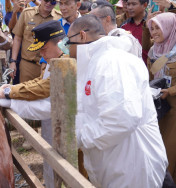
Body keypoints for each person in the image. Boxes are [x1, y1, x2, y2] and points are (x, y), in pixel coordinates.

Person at [69, 14, 170, 187]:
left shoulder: (111, 62)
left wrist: (77, 137)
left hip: (132, 167)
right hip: (117, 165)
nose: (67, 49)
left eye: (68, 43)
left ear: (82, 36)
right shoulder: (96, 62)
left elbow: (121, 119)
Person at [0, 20, 66, 188]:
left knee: (68, 169)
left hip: (68, 127)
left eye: (44, 48)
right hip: (54, 123)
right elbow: (39, 81)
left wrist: (9, 93)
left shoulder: (67, 61)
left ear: (58, 42)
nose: (41, 53)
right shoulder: (54, 59)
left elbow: (44, 87)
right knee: (52, 161)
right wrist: (11, 88)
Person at [147, 12, 176, 182]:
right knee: (159, 155)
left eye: (158, 27)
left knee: (170, 156)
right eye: (152, 28)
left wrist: (170, 91)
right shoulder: (154, 50)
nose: (154, 32)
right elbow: (150, 77)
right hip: (158, 110)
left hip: (174, 112)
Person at [9, 0, 62, 82]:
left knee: (47, 93)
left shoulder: (59, 18)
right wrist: (13, 62)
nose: (48, 3)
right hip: (28, 65)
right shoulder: (27, 13)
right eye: (46, 0)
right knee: (25, 92)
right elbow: (17, 38)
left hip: (48, 66)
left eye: (53, 2)